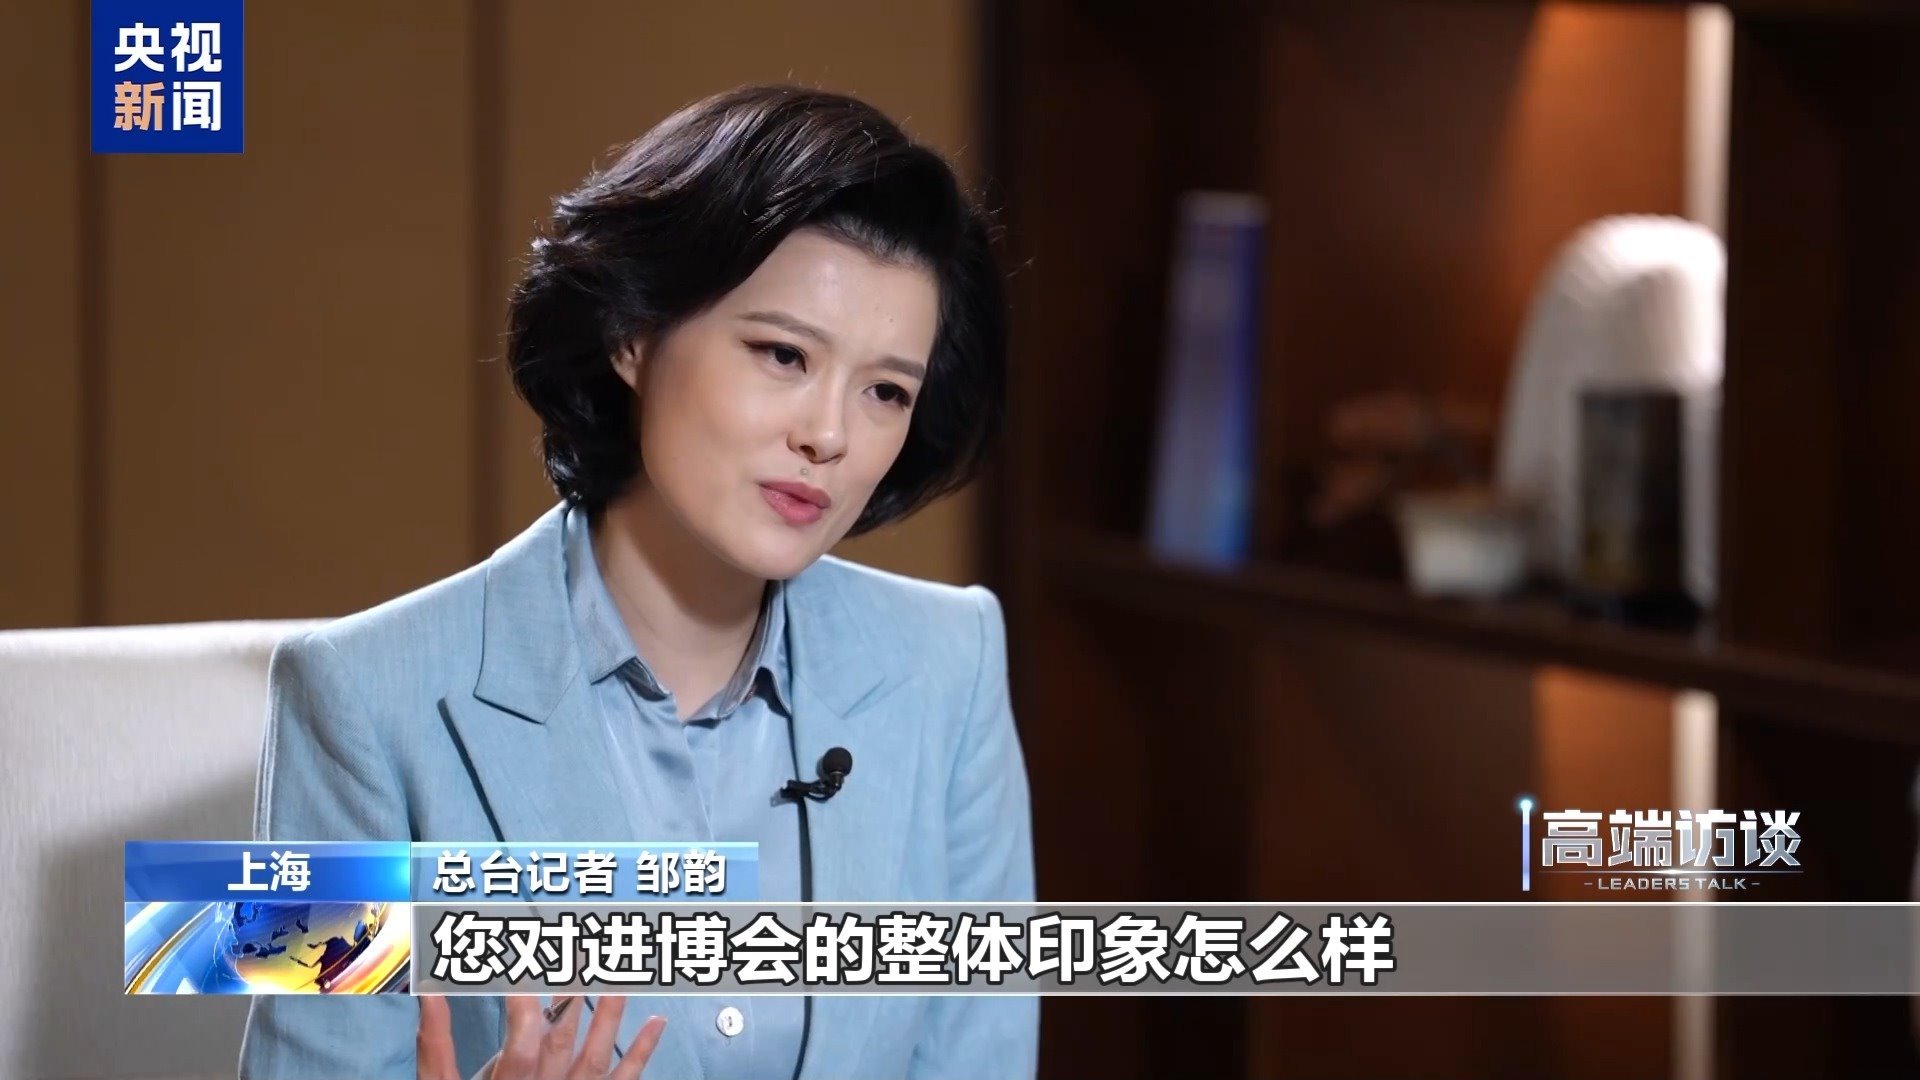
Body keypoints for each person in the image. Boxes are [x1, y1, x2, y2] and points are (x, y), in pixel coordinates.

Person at [238, 83, 1035, 1080]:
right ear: (633, 334)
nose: (830, 434)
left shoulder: (952, 664)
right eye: (783, 354)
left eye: (885, 390)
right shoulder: (356, 698)